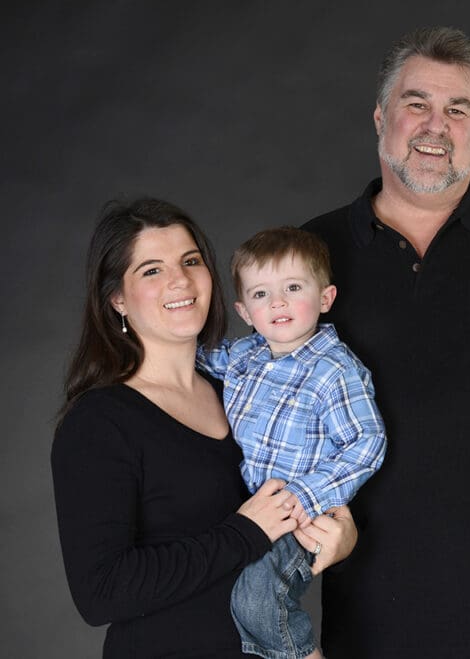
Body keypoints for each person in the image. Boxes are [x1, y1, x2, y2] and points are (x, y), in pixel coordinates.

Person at [302, 26, 470, 658]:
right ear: (380, 117)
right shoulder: (311, 254)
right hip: (365, 600)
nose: (435, 126)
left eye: (458, 109)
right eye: (416, 104)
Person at [51, 199, 357, 658]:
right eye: (151, 270)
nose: (180, 280)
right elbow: (102, 592)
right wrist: (245, 531)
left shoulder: (244, 388)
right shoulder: (100, 422)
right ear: (117, 298)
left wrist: (342, 531)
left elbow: (312, 477)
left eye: (191, 261)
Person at [197, 227, 386, 659]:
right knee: (231, 599)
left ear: (325, 298)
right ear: (245, 310)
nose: (277, 302)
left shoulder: (333, 370)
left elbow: (366, 441)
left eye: (293, 287)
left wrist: (306, 494)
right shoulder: (245, 355)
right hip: (249, 512)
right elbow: (198, 354)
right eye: (261, 294)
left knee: (258, 598)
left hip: (298, 516)